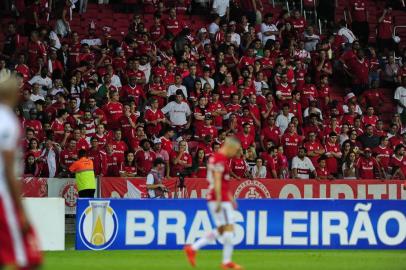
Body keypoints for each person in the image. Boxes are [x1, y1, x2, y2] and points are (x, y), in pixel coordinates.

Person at [0, 74, 42, 269]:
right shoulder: (7, 121)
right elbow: (8, 169)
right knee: (27, 258)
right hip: (3, 195)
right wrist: (21, 209)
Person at [184, 137, 242, 270]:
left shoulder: (218, 159)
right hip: (219, 199)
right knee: (229, 230)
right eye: (235, 150)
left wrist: (230, 198)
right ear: (230, 146)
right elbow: (217, 181)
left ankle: (193, 248)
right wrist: (220, 200)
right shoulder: (219, 159)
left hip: (221, 198)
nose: (235, 153)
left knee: (222, 229)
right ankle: (226, 262)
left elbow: (223, 182)